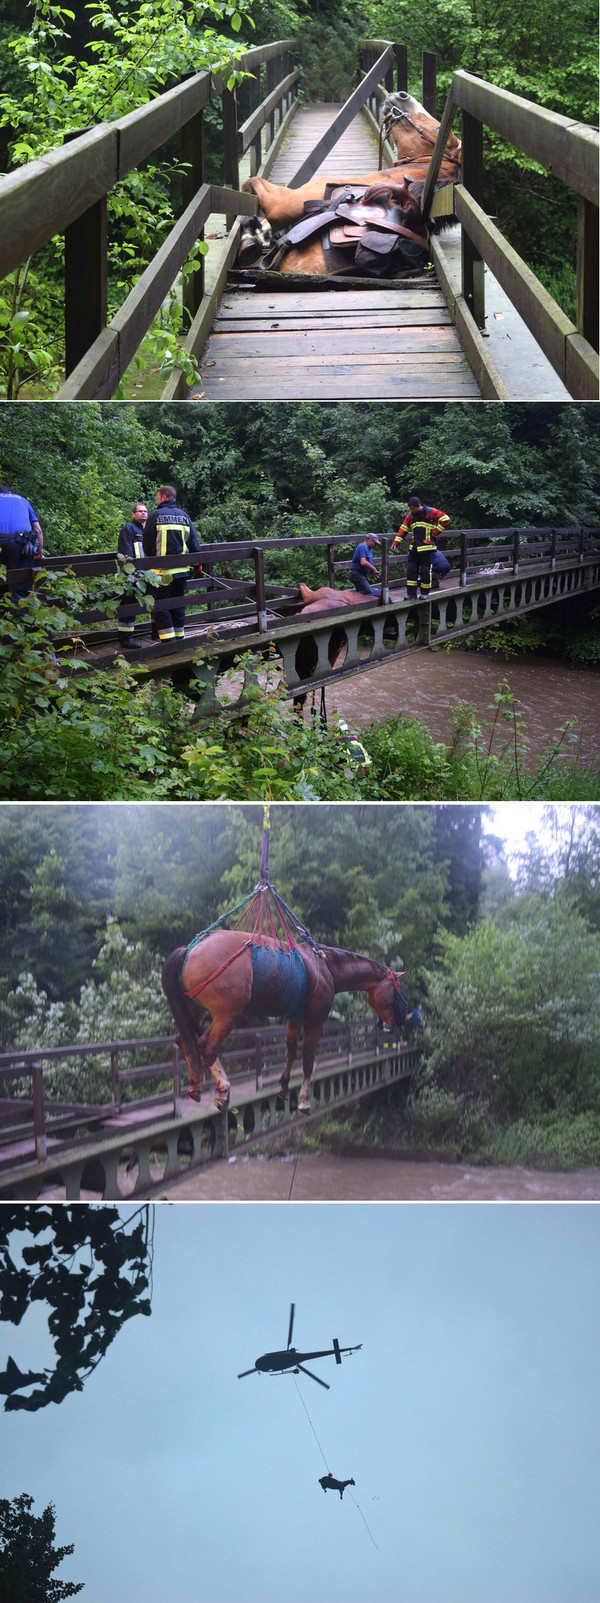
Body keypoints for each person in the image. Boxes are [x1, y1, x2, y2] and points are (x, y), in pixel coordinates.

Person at [142, 485, 201, 643]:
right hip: (182, 571)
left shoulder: (155, 516)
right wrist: (198, 564)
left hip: (161, 573)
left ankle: (168, 642)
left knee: (160, 606)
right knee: (178, 604)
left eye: (157, 497)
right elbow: (194, 544)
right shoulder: (184, 516)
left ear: (162, 497)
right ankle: (180, 638)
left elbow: (146, 545)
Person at [392, 494, 451, 598]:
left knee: (425, 571)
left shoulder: (431, 512)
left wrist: (435, 532)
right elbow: (403, 529)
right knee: (411, 571)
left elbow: (446, 519)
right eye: (410, 509)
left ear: (418, 505)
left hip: (427, 548)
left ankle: (424, 593)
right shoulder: (410, 516)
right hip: (414, 548)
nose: (412, 511)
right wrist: (396, 543)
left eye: (413, 509)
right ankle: (411, 594)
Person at [0, 484, 44, 601]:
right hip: (20, 544)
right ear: (10, 492)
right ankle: (19, 616)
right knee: (20, 587)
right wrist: (39, 553)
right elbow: (38, 530)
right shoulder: (22, 500)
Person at [117, 501, 148, 650]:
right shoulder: (128, 529)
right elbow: (125, 553)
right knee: (129, 605)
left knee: (154, 603)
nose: (144, 513)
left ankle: (157, 632)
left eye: (145, 511)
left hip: (149, 575)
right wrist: (131, 574)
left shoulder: (149, 530)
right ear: (133, 514)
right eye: (140, 511)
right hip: (133, 576)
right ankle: (126, 639)